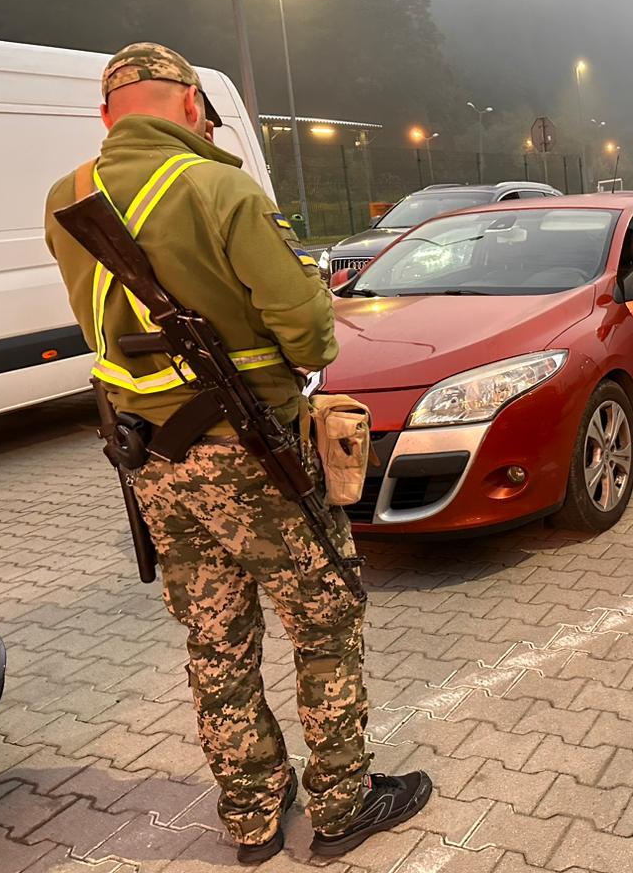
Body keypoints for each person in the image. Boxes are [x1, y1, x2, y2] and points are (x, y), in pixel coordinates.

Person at [42, 43, 432, 864]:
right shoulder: (219, 187)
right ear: (189, 106)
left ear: (107, 115)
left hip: (149, 459)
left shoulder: (64, 200)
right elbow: (309, 327)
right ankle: (341, 803)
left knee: (215, 638)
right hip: (250, 453)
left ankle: (251, 815)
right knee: (325, 621)